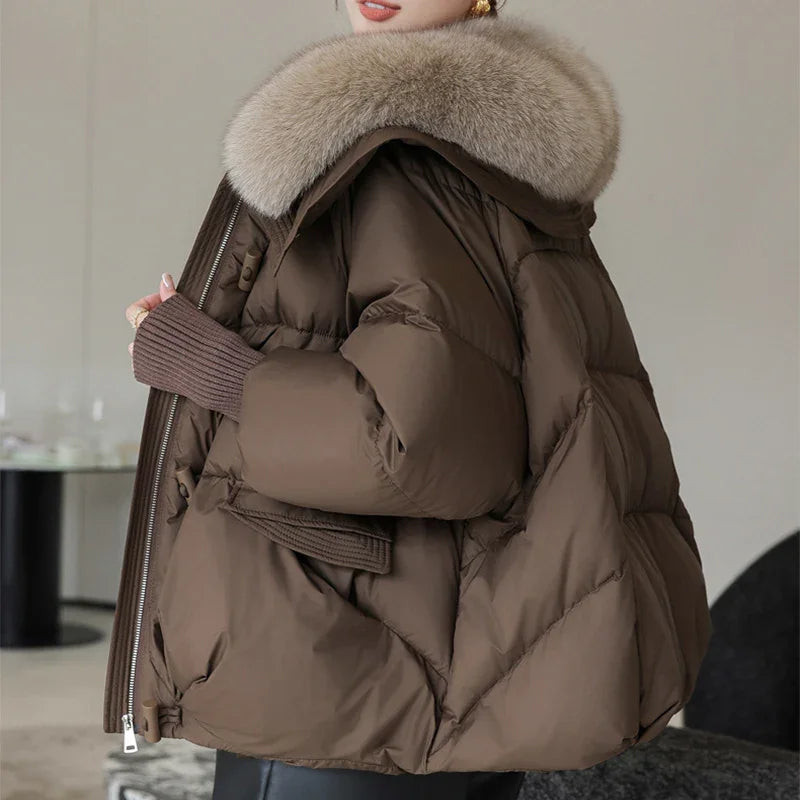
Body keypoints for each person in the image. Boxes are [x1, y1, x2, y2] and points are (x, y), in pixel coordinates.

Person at [108, 1, 712, 798]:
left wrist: (205, 361)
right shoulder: (498, 168)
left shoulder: (399, 163)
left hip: (340, 673)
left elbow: (406, 439)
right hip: (446, 665)